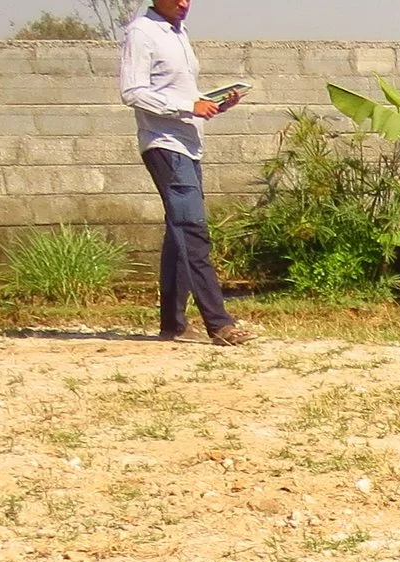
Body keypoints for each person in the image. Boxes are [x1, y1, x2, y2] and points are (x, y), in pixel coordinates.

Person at [118, 0, 254, 345]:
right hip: (164, 144)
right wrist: (187, 106)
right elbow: (132, 92)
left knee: (179, 231)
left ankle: (173, 324)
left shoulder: (179, 33)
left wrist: (213, 103)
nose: (184, 3)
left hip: (189, 145)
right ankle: (219, 324)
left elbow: (182, 94)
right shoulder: (142, 32)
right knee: (192, 231)